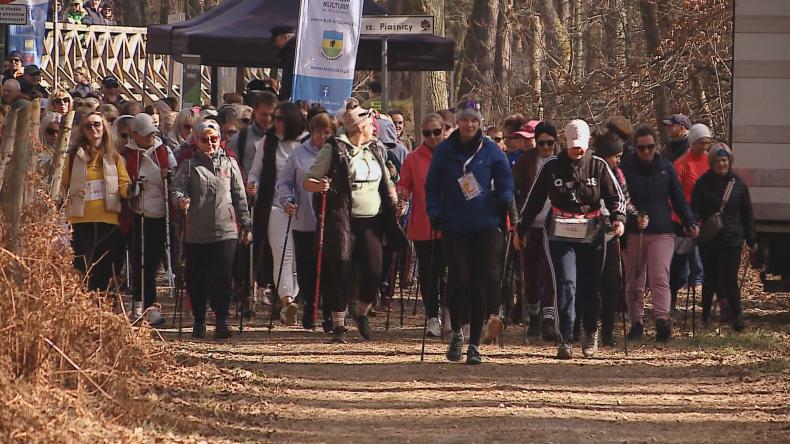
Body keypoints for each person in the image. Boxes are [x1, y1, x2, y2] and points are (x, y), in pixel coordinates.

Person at [517, 119, 626, 359]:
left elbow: (615, 196)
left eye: (582, 145)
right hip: (560, 231)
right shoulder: (551, 166)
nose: (578, 150)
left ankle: (590, 331)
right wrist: (521, 228)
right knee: (566, 283)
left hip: (592, 230)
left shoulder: (598, 166)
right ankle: (565, 336)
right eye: (573, 145)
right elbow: (534, 200)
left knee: (590, 285)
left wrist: (618, 219)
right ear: (565, 143)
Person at [304, 104, 405, 343]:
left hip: (373, 220)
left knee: (374, 270)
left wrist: (394, 201)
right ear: (359, 128)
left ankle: (360, 313)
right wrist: (321, 186)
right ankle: (339, 326)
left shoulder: (376, 148)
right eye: (370, 124)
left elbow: (388, 179)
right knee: (340, 269)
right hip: (342, 219)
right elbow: (309, 180)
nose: (374, 128)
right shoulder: (335, 149)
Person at [426, 99, 514, 365]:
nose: (469, 124)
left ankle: (474, 343)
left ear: (480, 123)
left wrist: (505, 200)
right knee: (459, 280)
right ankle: (456, 332)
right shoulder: (444, 151)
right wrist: (434, 211)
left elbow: (505, 180)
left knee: (480, 282)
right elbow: (431, 186)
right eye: (465, 120)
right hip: (454, 223)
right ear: (458, 122)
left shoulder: (490, 150)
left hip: (485, 223)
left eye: (474, 120)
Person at [172, 121, 251, 339]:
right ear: (197, 141)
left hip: (225, 229)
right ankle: (199, 321)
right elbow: (176, 189)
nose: (210, 144)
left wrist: (246, 224)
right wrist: (181, 200)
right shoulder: (189, 166)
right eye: (204, 140)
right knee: (196, 277)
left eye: (213, 139)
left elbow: (239, 196)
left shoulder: (230, 164)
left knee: (222, 277)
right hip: (196, 231)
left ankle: (222, 320)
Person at [620, 126, 698, 342]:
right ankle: (636, 322)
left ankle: (662, 321)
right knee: (635, 279)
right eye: (642, 148)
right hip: (634, 231)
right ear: (635, 148)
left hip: (663, 230)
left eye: (650, 147)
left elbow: (678, 198)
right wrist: (632, 217)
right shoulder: (626, 168)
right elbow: (621, 200)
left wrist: (689, 221)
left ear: (656, 146)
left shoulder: (666, 167)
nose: (646, 152)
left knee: (659, 276)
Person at [248, 102, 307, 326]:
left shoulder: (306, 143)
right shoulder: (267, 142)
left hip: (303, 208)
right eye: (274, 118)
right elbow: (255, 172)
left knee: (297, 259)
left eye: (280, 118)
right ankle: (287, 299)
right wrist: (252, 184)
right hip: (274, 206)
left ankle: (289, 304)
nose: (275, 122)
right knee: (283, 254)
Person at [277, 112, 336, 331]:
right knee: (307, 268)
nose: (322, 136)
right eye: (318, 131)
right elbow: (284, 182)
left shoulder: (337, 152)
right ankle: (310, 307)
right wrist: (288, 200)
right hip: (305, 220)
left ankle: (330, 312)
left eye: (327, 132)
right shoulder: (298, 154)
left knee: (330, 268)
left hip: (331, 223)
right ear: (311, 132)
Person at [62, 112, 130, 291]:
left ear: (104, 128)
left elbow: (124, 184)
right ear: (82, 130)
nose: (93, 128)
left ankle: (101, 308)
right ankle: (83, 309)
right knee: (82, 268)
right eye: (88, 125)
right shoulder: (73, 157)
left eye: (97, 124)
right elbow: (63, 185)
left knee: (104, 269)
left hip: (107, 220)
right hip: (80, 220)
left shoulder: (114, 157)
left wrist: (131, 190)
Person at [692, 143, 755, 331]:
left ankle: (736, 317)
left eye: (724, 160)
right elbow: (695, 209)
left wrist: (752, 240)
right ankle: (705, 317)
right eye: (718, 160)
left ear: (729, 161)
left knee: (730, 279)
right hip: (709, 240)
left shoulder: (739, 184)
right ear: (711, 162)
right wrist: (693, 225)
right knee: (710, 278)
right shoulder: (702, 183)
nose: (721, 164)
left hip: (732, 240)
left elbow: (747, 214)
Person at [398, 113, 447, 337]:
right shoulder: (413, 158)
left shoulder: (454, 156)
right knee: (429, 274)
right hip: (423, 226)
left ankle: (450, 311)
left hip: (452, 224)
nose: (432, 137)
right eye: (427, 133)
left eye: (437, 132)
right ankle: (432, 316)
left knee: (452, 272)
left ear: (444, 131)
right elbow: (404, 184)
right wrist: (401, 196)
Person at [512, 121, 559, 340]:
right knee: (531, 272)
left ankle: (549, 318)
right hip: (530, 224)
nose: (546, 148)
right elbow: (514, 191)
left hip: (555, 225)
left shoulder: (562, 163)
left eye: (550, 143)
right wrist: (517, 224)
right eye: (541, 143)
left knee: (550, 271)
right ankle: (534, 315)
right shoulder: (525, 161)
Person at [123, 113, 171, 325]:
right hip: (138, 214)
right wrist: (134, 188)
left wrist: (167, 176)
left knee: (152, 262)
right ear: (135, 135)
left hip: (159, 214)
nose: (150, 138)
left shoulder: (163, 150)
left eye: (152, 133)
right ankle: (138, 303)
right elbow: (123, 185)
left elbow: (174, 176)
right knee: (139, 261)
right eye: (146, 135)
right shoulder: (128, 154)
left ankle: (151, 305)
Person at [593, 134, 638, 346]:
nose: (618, 161)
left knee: (611, 286)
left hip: (612, 235)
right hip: (588, 236)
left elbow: (625, 201)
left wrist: (635, 215)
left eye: (620, 156)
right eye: (615, 156)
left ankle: (608, 332)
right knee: (590, 286)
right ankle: (585, 328)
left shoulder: (618, 174)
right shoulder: (591, 170)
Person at [670, 123, 711, 310]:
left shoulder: (710, 162)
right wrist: (685, 216)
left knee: (708, 263)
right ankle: (671, 294)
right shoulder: (681, 164)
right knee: (679, 266)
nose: (704, 147)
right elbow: (672, 195)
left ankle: (707, 303)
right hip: (682, 222)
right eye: (700, 143)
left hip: (705, 221)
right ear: (692, 142)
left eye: (706, 143)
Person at [228, 91, 277, 177]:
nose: (268, 119)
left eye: (271, 115)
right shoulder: (239, 139)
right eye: (264, 114)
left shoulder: (284, 140)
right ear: (255, 111)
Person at [272, 26, 296, 102]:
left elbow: (288, 78)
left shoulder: (290, 51)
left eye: (276, 40)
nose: (276, 44)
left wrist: (284, 97)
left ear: (285, 37)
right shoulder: (294, 49)